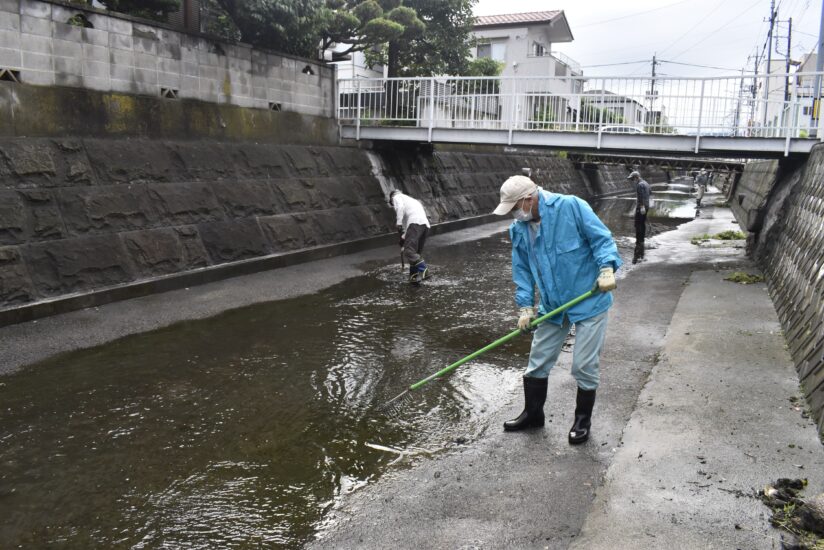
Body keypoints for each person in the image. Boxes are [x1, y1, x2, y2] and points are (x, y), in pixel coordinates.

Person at [492, 175, 622, 444]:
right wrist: (526, 308)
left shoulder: (572, 207)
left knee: (583, 365)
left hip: (588, 301)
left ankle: (582, 421)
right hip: (553, 305)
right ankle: (533, 414)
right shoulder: (519, 228)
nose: (515, 214)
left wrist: (607, 267)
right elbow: (523, 271)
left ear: (529, 199)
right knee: (537, 360)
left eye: (516, 207)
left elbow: (602, 240)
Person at [389, 189, 430, 284]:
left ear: (391, 198)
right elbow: (408, 224)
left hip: (415, 223)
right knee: (415, 254)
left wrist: (398, 223)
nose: (393, 206)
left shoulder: (396, 197)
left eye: (392, 204)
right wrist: (403, 237)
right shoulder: (412, 200)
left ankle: (424, 271)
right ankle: (413, 276)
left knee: (409, 251)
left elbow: (400, 208)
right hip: (425, 225)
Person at [628, 171, 650, 264]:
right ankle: (642, 242)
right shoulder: (646, 183)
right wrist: (646, 205)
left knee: (638, 224)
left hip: (641, 207)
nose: (633, 181)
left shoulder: (639, 185)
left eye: (633, 179)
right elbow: (650, 193)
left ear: (636, 177)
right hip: (647, 206)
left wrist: (641, 206)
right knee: (642, 223)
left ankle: (639, 242)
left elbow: (640, 197)